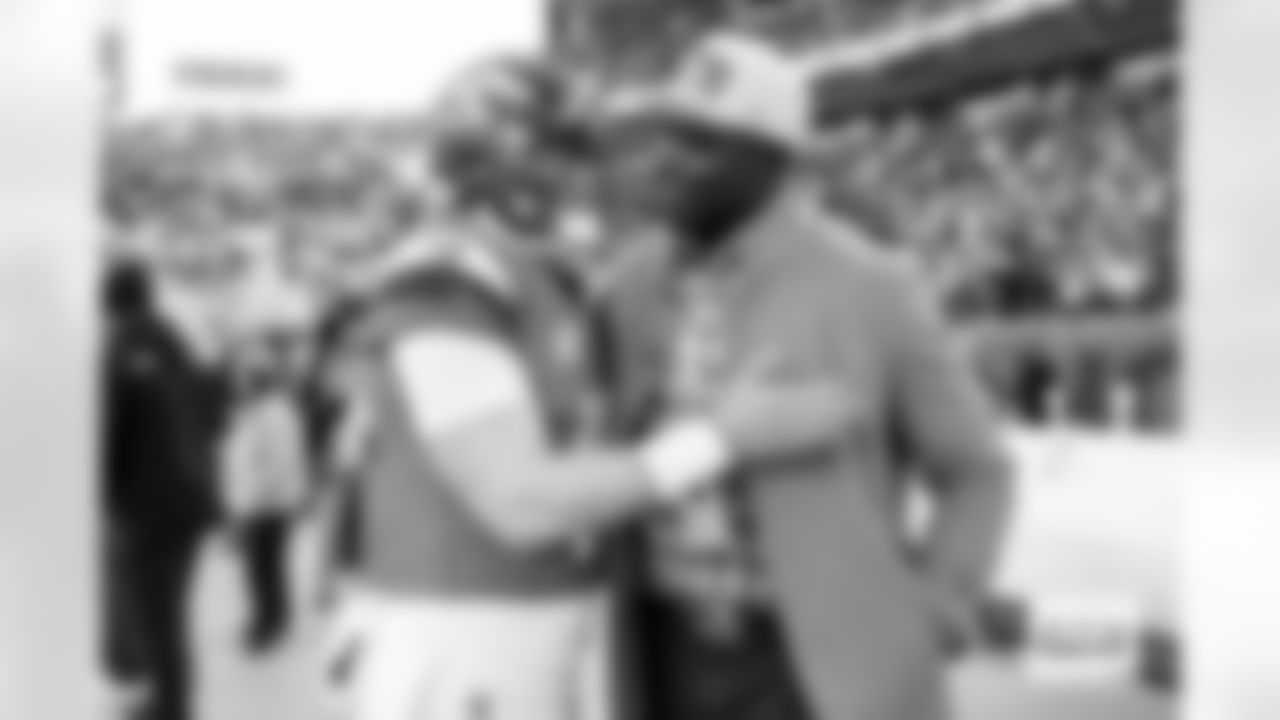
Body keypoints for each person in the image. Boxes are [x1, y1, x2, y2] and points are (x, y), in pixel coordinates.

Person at [320, 55, 833, 720]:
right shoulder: (448, 280)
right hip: (467, 628)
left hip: (542, 619)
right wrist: (719, 438)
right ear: (498, 157)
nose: (579, 174)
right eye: (560, 151)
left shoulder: (542, 275)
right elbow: (519, 503)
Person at [594, 33, 1013, 720]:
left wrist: (941, 608)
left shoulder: (871, 285)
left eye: (701, 142)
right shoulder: (627, 286)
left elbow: (977, 470)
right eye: (666, 133)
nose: (665, 159)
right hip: (664, 650)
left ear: (773, 160)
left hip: (817, 670)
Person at [103, 226, 235, 720]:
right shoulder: (179, 343)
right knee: (170, 615)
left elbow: (107, 434)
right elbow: (216, 417)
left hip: (147, 509)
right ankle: (169, 700)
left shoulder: (116, 349)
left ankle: (170, 707)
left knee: (156, 617)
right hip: (192, 500)